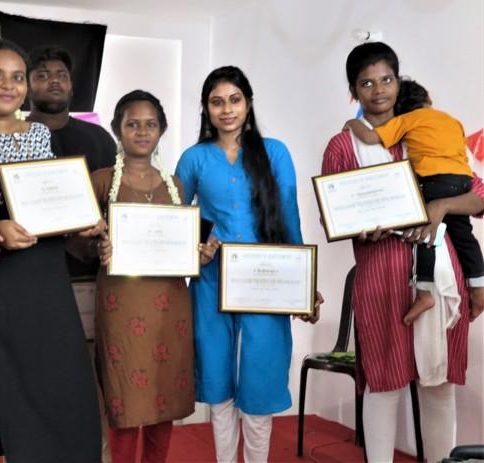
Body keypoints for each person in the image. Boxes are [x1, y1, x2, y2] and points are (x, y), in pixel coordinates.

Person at [0, 39, 102, 463]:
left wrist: (84, 223)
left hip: (46, 282)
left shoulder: (44, 135)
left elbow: (61, 201)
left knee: (63, 393)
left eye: (16, 77)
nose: (7, 86)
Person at [322, 41, 484, 462]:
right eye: (367, 82)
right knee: (383, 385)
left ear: (399, 80)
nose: (379, 90)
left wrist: (442, 205)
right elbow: (333, 214)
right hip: (380, 278)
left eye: (387, 79)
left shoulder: (431, 130)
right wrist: (360, 227)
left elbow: (480, 196)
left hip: (442, 275)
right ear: (353, 91)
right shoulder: (344, 147)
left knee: (438, 385)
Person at [174, 65, 321, 462]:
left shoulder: (275, 152)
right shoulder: (194, 158)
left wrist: (303, 284)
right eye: (216, 102)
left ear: (248, 103)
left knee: (259, 377)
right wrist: (200, 244)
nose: (226, 110)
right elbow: (176, 219)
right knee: (218, 378)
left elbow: (289, 215)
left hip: (267, 281)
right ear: (205, 109)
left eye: (234, 100)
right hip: (211, 281)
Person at [88, 90, 195, 463]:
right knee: (123, 396)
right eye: (132, 124)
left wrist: (197, 252)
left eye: (150, 124)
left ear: (162, 130)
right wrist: (97, 247)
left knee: (161, 393)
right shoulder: (100, 181)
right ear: (118, 129)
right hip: (121, 303)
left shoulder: (176, 186)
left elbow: (182, 241)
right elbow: (77, 241)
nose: (141, 131)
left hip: (170, 305)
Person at [27, 45, 117, 463]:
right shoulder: (14, 137)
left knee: (92, 384)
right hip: (32, 280)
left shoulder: (98, 138)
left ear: (73, 83)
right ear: (28, 84)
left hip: (87, 278)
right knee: (40, 382)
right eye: (42, 73)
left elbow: (114, 205)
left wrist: (102, 237)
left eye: (60, 72)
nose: (54, 80)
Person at [343, 79, 484, 325]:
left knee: (424, 234)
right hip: (461, 181)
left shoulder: (407, 120)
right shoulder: (451, 121)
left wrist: (353, 123)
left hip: (433, 182)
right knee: (465, 237)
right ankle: (480, 284)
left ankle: (423, 291)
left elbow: (368, 136)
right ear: (427, 98)